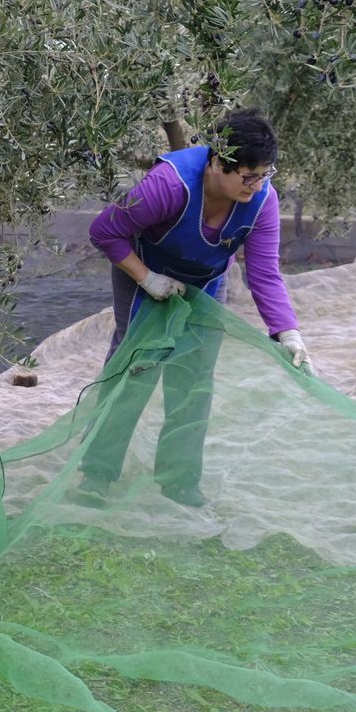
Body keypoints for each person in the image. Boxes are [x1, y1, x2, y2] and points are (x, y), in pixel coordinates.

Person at [76, 109, 309, 507]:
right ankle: (97, 474)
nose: (256, 185)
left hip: (205, 284)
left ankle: (179, 482)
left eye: (265, 175)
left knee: (194, 379)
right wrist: (148, 279)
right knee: (134, 370)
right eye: (248, 176)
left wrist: (287, 331)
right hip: (143, 272)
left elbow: (265, 272)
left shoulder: (262, 201)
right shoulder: (169, 184)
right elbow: (104, 230)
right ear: (218, 163)